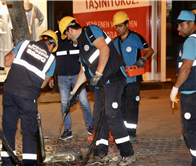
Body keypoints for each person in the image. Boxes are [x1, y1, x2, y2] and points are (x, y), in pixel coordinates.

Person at [59, 16, 136, 166]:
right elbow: (83, 72)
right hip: (101, 84)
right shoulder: (81, 46)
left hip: (114, 79)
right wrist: (73, 94)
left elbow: (104, 49)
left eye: (66, 34)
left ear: (70, 29)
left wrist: (98, 73)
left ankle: (128, 153)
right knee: (98, 118)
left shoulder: (91, 30)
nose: (67, 38)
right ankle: (100, 152)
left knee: (112, 115)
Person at [0, 30, 58, 166]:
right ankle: (29, 162)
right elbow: (43, 84)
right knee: (28, 130)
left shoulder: (24, 44)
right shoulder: (51, 59)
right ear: (52, 46)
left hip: (10, 91)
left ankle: (7, 162)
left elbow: (7, 62)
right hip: (27, 97)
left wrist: (15, 49)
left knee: (8, 128)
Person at [48, 12, 93, 140]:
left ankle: (90, 126)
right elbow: (51, 58)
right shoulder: (55, 37)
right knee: (64, 103)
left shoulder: (76, 36)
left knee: (84, 101)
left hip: (78, 75)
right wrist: (50, 76)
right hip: (62, 76)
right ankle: (67, 129)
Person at [112, 11, 154, 144]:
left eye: (120, 26)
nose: (118, 29)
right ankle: (124, 132)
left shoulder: (136, 38)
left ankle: (131, 133)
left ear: (127, 24)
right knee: (121, 106)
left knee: (132, 106)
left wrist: (143, 58)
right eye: (116, 26)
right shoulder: (115, 42)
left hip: (134, 78)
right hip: (120, 79)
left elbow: (150, 50)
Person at [170, 10, 196, 166]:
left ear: (192, 24)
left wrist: (175, 88)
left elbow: (186, 68)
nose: (178, 28)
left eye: (181, 24)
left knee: (190, 128)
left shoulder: (191, 41)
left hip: (191, 93)